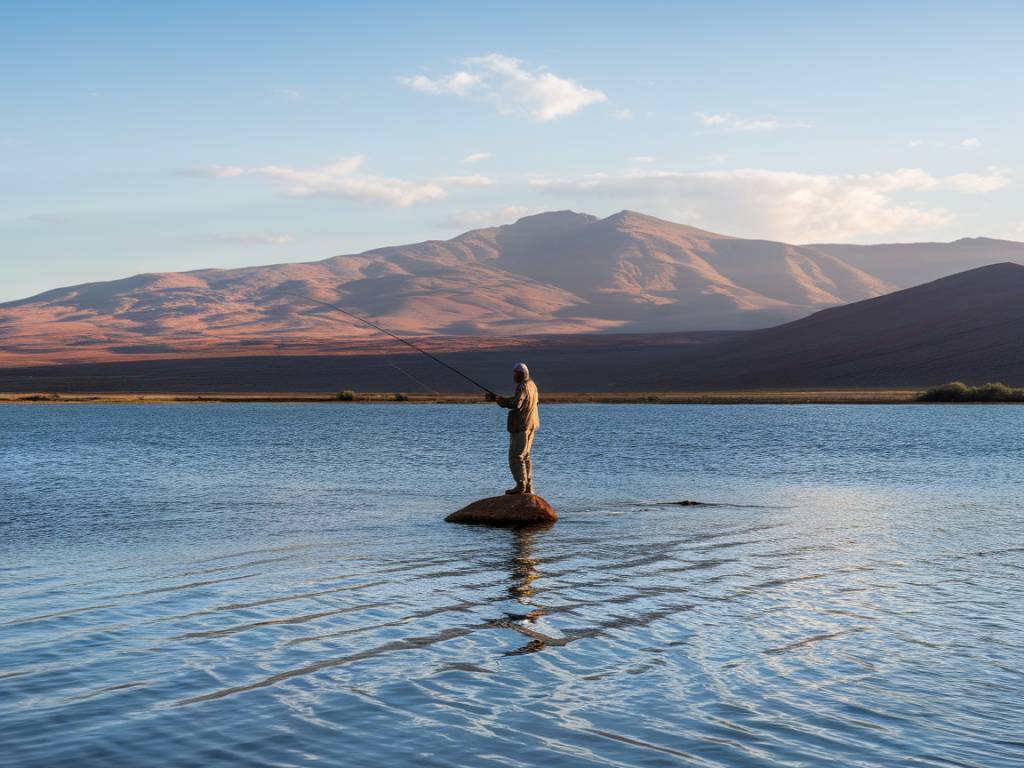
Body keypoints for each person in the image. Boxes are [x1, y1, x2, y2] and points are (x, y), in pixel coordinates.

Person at [488, 363, 540, 495]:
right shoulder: (532, 385)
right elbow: (523, 400)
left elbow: (516, 404)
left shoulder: (522, 387)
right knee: (526, 456)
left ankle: (520, 486)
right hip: (531, 425)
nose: (513, 376)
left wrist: (500, 402)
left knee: (516, 457)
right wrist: (501, 398)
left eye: (515, 373)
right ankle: (528, 487)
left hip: (521, 426)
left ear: (521, 374)